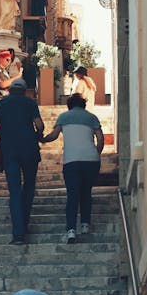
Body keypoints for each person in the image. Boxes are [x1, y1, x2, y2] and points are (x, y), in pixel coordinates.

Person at [40, 93, 104, 243]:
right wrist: (96, 153)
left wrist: (41, 139)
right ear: (83, 105)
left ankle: (71, 230)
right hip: (91, 160)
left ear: (69, 105)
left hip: (71, 161)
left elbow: (54, 135)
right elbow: (100, 138)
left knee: (73, 195)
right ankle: (85, 224)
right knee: (86, 192)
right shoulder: (92, 118)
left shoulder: (63, 117)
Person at [0, 77, 44, 244]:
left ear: (11, 90)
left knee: (14, 191)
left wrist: (4, 134)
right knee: (28, 187)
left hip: (9, 150)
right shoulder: (30, 103)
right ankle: (24, 223)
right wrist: (36, 134)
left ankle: (18, 234)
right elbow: (39, 125)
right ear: (24, 90)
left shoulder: (1, 103)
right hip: (29, 149)